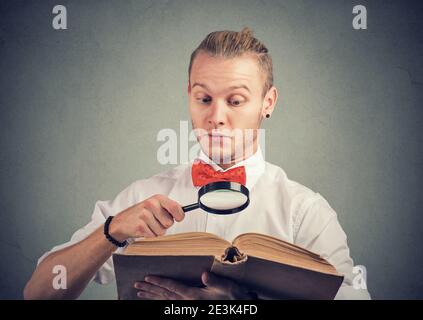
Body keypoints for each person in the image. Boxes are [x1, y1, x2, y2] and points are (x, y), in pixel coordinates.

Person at [24, 28, 370, 300]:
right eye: (203, 98)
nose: (216, 117)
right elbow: (37, 293)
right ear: (188, 94)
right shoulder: (142, 197)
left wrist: (246, 304)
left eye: (235, 100)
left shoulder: (306, 213)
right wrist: (111, 232)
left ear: (268, 102)